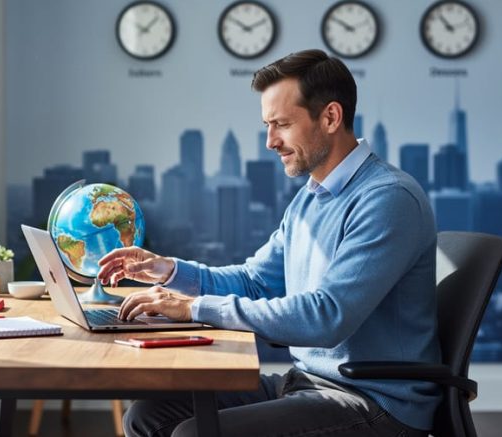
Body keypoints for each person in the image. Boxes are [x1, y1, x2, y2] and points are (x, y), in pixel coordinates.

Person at [97, 49, 441, 437]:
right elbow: (255, 281)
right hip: (308, 383)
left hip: (372, 401)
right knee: (150, 415)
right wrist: (172, 271)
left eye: (281, 124)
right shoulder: (312, 197)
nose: (270, 141)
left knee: (193, 434)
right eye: (267, 125)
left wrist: (194, 308)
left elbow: (327, 316)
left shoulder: (387, 199)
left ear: (330, 117)